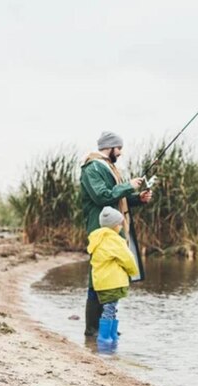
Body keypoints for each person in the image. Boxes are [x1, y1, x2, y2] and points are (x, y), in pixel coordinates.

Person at [80, 131, 152, 336]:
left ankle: (104, 324)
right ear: (109, 147)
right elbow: (102, 198)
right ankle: (92, 329)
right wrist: (128, 186)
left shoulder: (109, 168)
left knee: (109, 276)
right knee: (97, 279)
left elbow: (116, 200)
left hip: (113, 230)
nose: (120, 152)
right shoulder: (92, 168)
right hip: (100, 231)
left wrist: (139, 198)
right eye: (118, 148)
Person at [87, 206, 138, 351]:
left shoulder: (97, 239)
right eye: (120, 223)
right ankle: (104, 338)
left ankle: (112, 334)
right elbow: (127, 258)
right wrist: (133, 271)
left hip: (101, 283)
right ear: (115, 226)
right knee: (110, 309)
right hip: (113, 282)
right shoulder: (115, 240)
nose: (122, 226)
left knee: (111, 308)